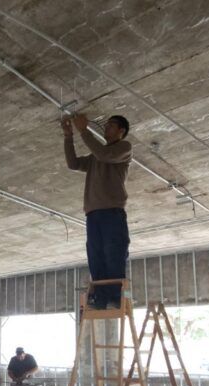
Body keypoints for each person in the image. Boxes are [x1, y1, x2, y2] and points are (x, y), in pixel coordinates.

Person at [62, 113, 132, 309]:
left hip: (112, 212)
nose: (106, 128)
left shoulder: (123, 149)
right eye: (106, 125)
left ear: (121, 131)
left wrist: (84, 130)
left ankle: (116, 298)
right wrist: (69, 136)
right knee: (95, 256)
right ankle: (101, 299)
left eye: (111, 126)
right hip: (93, 214)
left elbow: (105, 154)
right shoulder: (96, 156)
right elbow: (73, 164)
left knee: (114, 253)